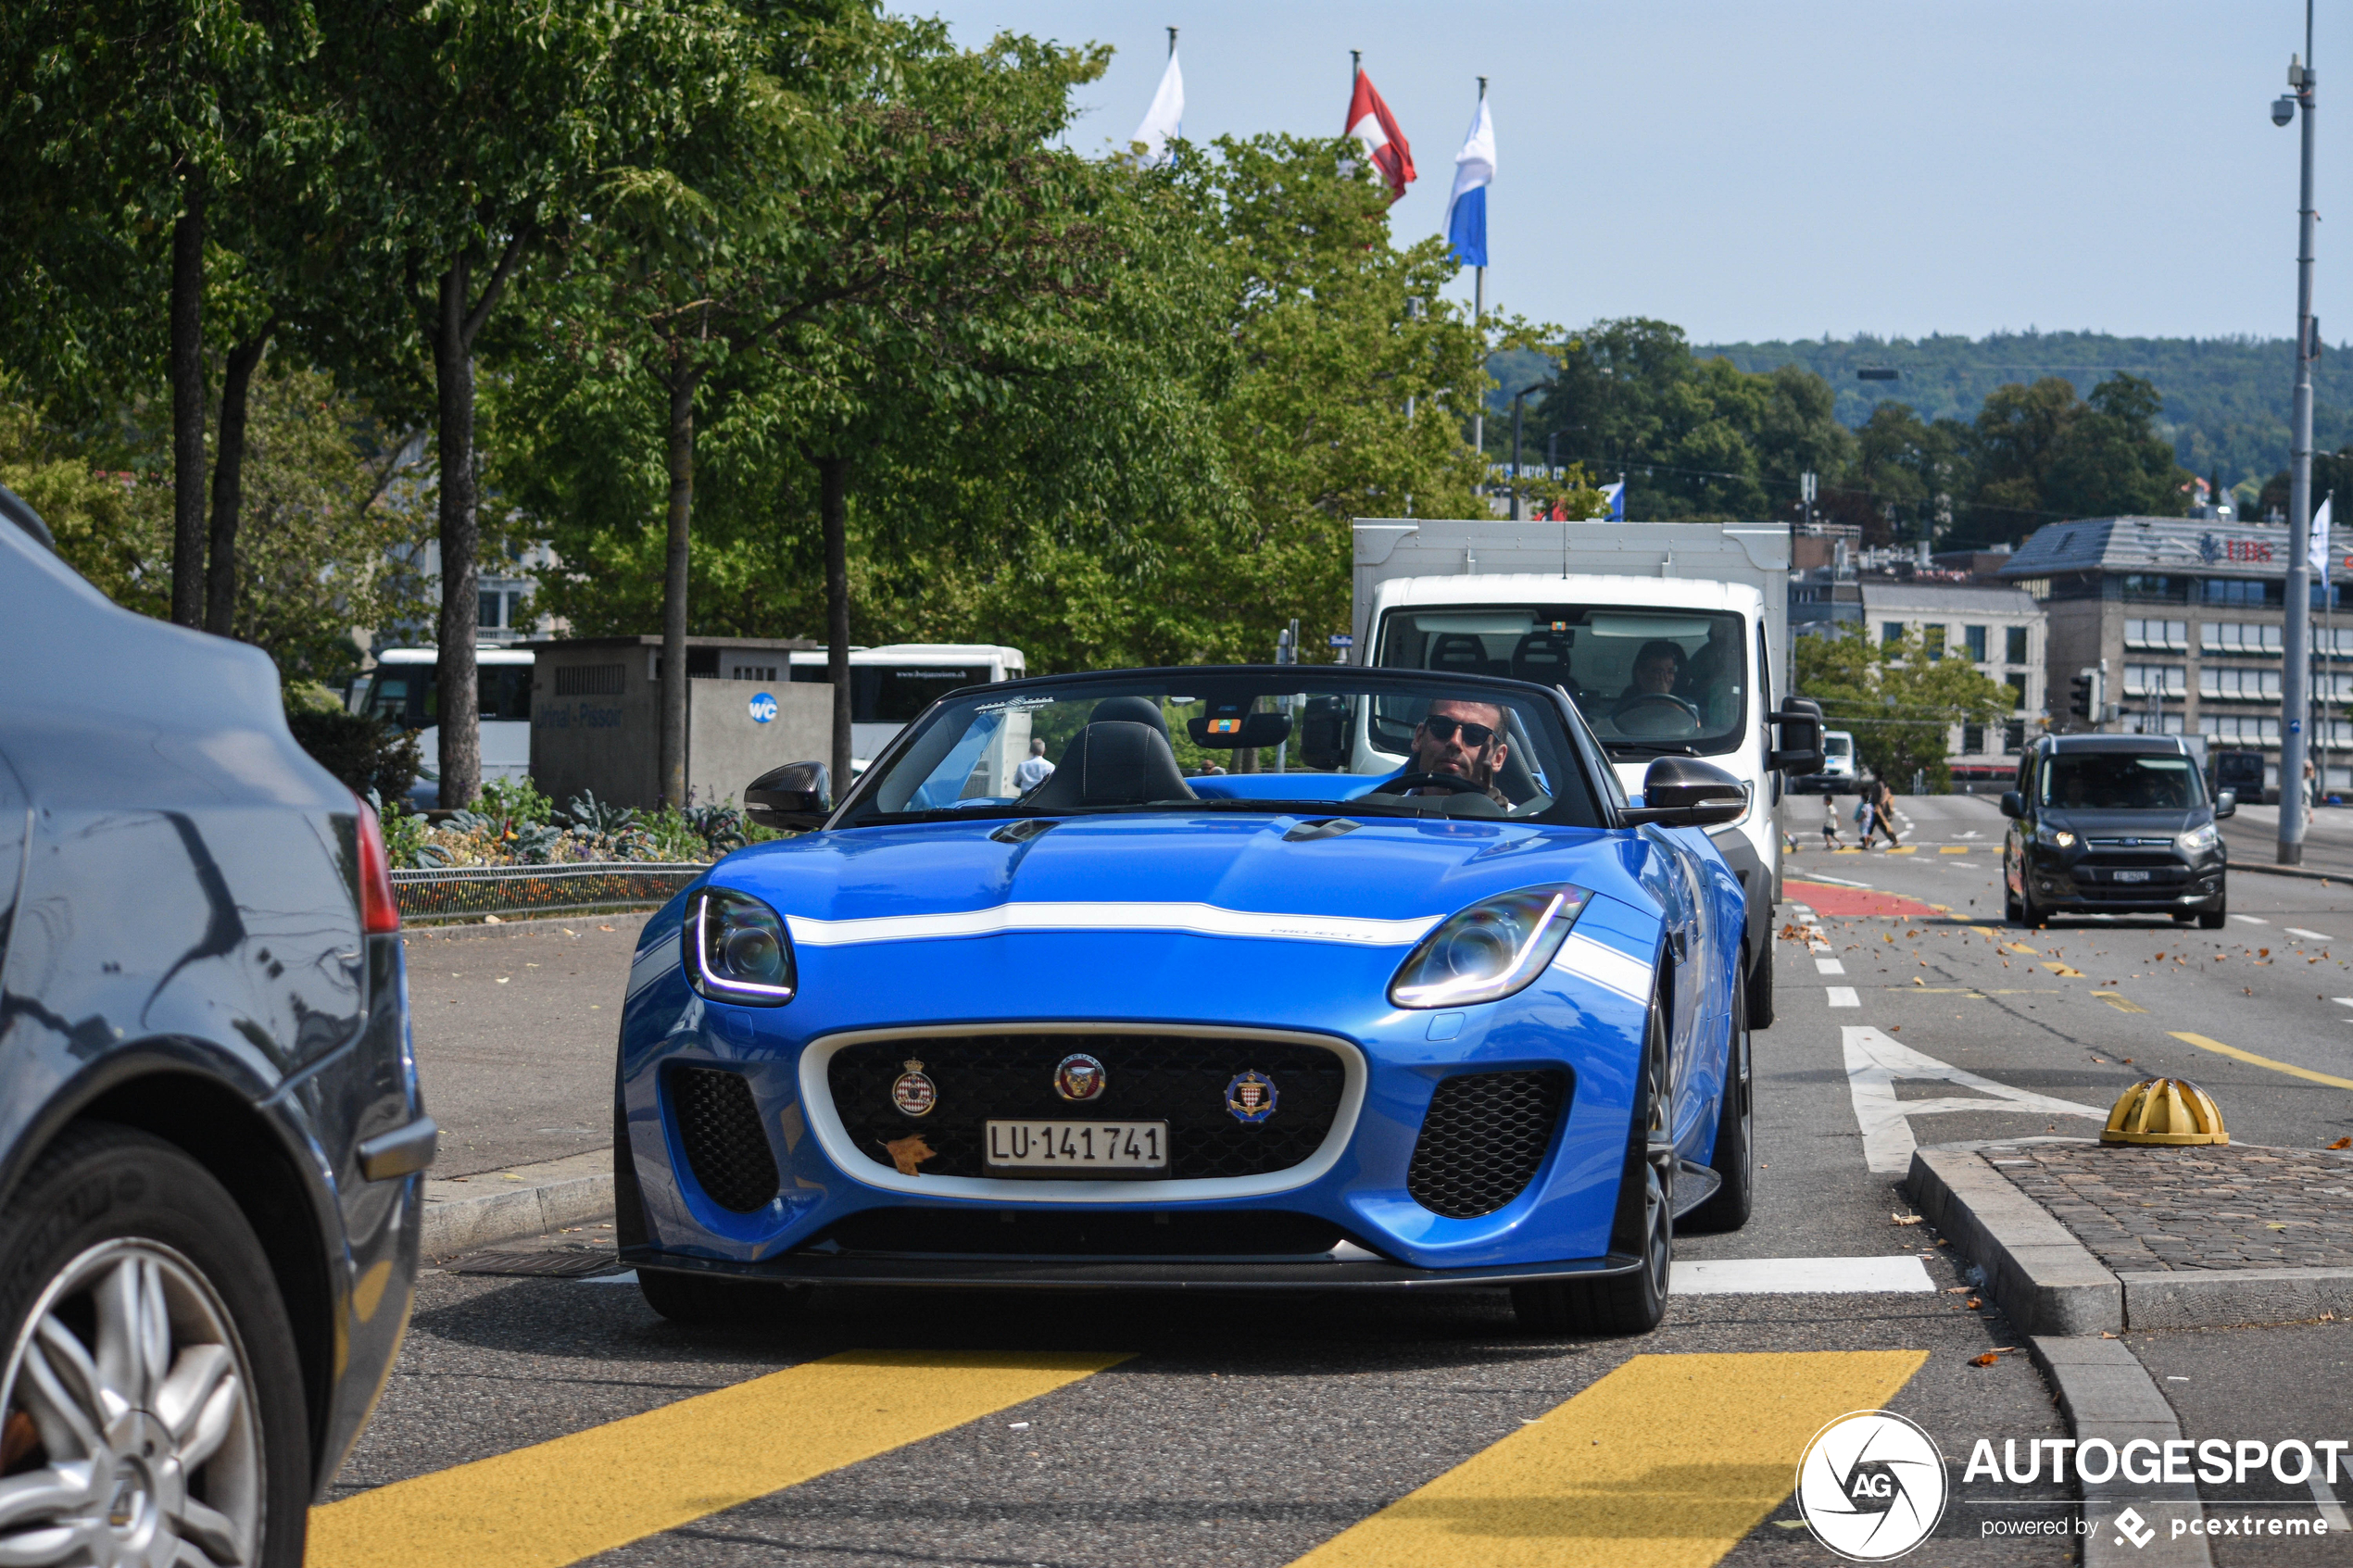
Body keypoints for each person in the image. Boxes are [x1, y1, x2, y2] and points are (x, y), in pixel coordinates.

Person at [1397, 697, 1511, 807]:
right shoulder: (1383, 810)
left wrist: (1493, 819)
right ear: (1419, 737)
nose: (1455, 741)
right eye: (1442, 726)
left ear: (1498, 757)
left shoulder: (1518, 822)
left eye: (1475, 734)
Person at [1610, 640, 1701, 725]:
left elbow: (1695, 725)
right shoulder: (1628, 701)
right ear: (1641, 674)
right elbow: (1612, 724)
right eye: (1658, 672)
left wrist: (1665, 698)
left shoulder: (1687, 703)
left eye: (1670, 672)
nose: (1665, 678)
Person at [1869, 779, 1904, 847]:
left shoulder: (1879, 788)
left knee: (1884, 827)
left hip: (1879, 811)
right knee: (1875, 827)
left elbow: (1879, 800)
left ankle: (1895, 841)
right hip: (1878, 810)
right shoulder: (1883, 788)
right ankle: (1869, 840)